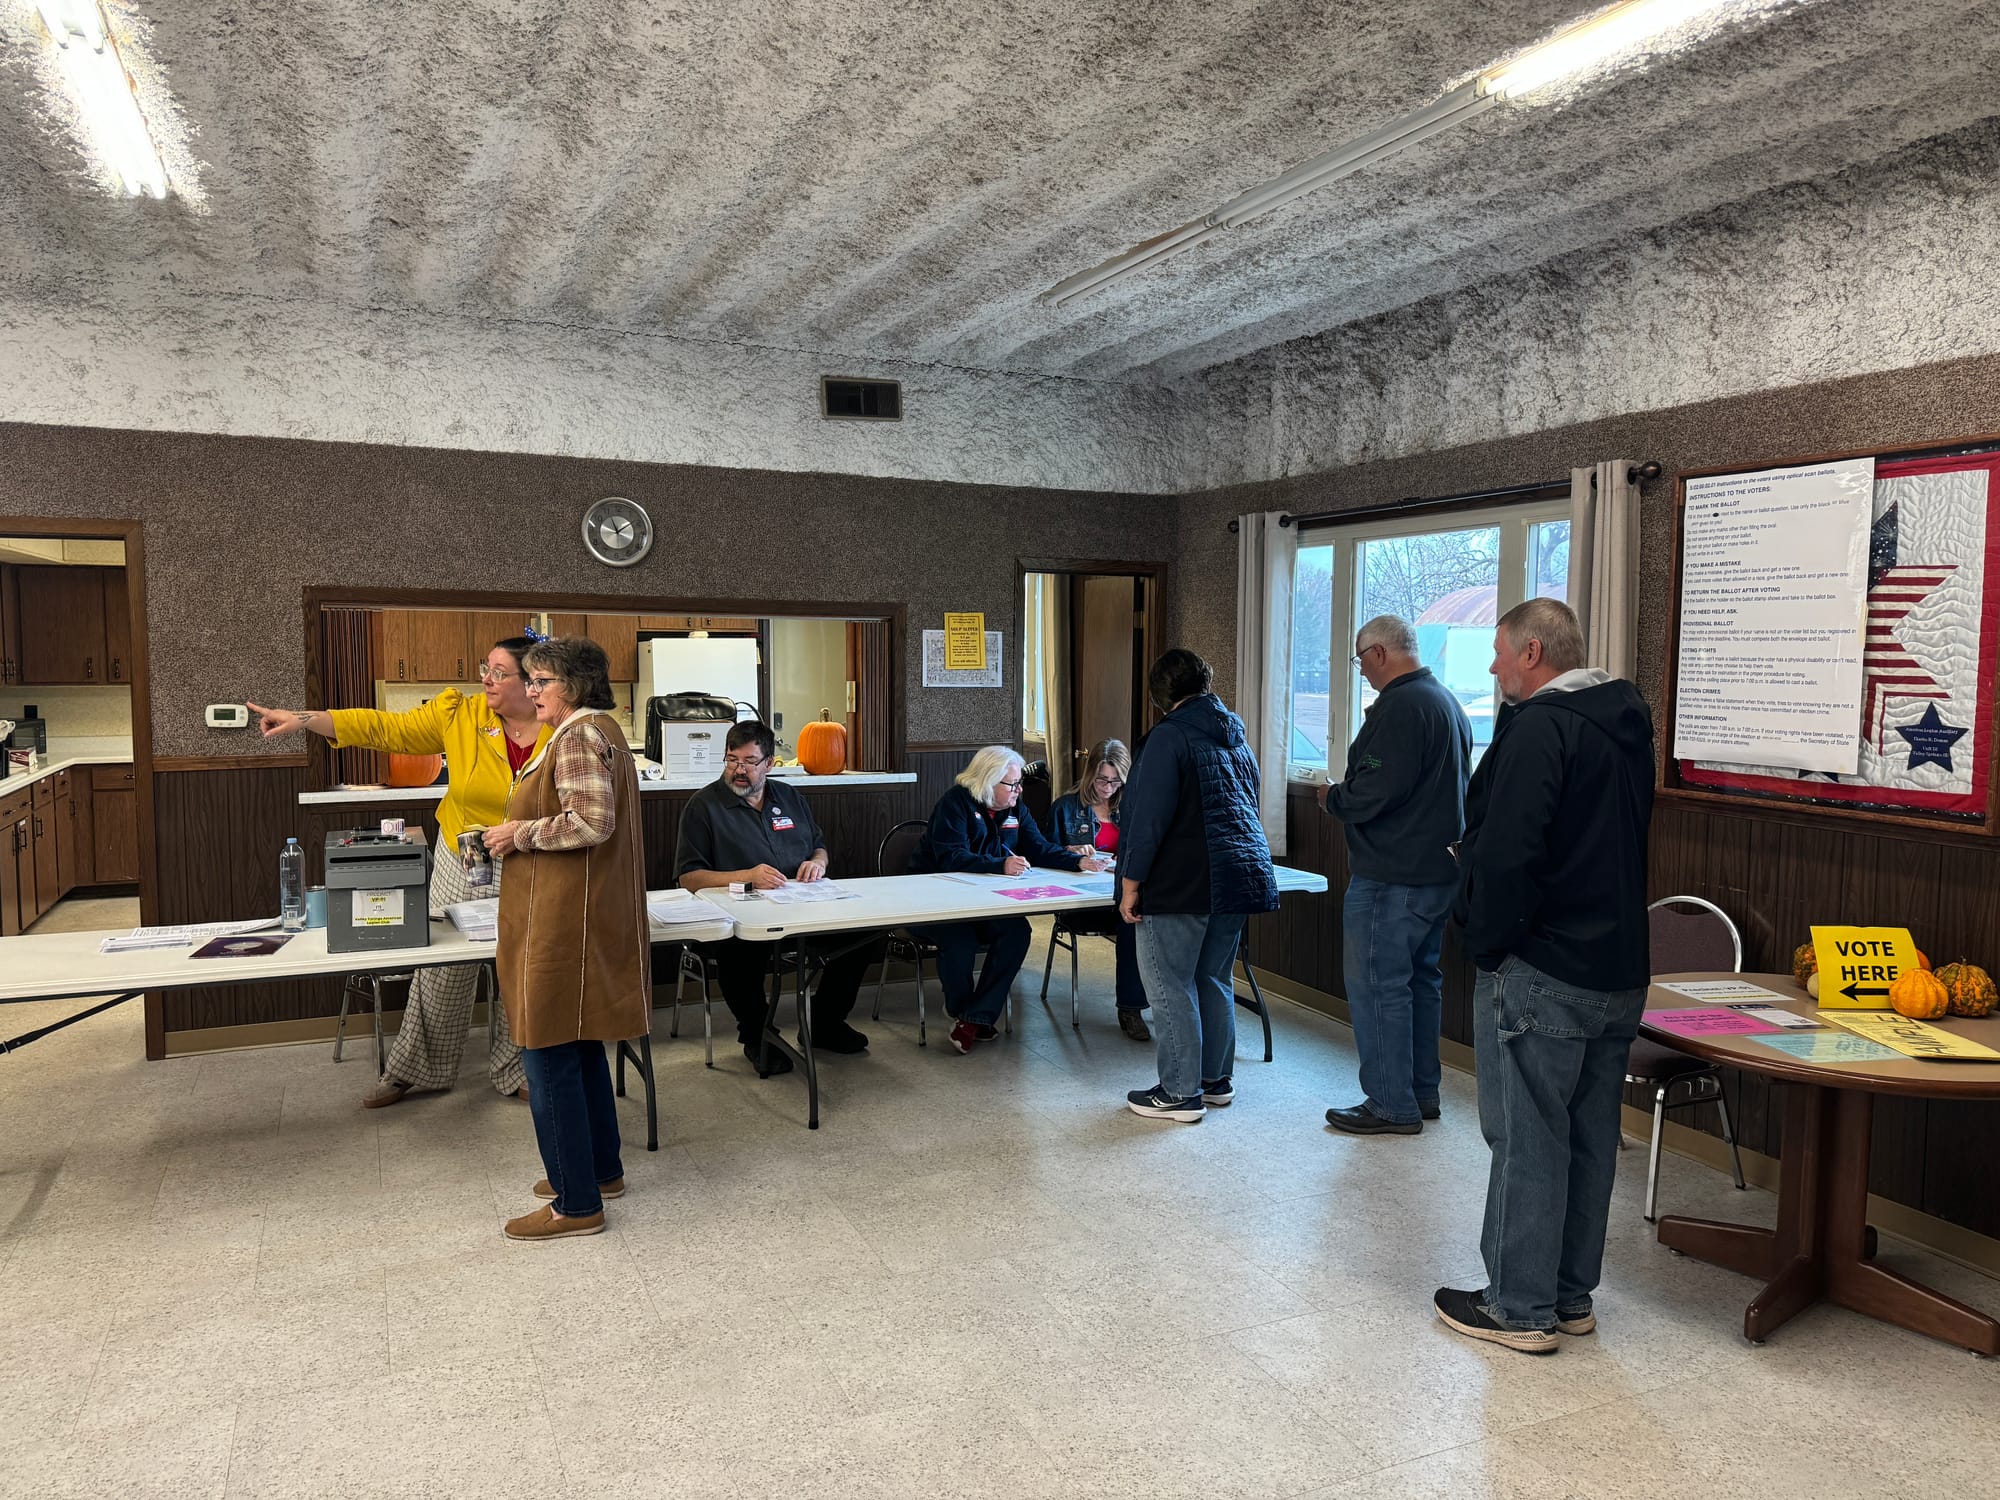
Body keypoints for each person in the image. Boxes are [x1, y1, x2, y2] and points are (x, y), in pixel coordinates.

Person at [1433, 598, 1655, 1354]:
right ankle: (1568, 1297)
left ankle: (1517, 1307)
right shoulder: (1627, 725)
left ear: (1532, 652)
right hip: (1618, 968)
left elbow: (1508, 853)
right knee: (1590, 1139)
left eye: (1499, 653)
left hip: (1544, 967)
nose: (1493, 669)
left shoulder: (1538, 728)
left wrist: (1486, 943)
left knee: (1527, 1138)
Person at [247, 635, 549, 1107]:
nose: (485, 680)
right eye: (485, 668)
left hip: (534, 860)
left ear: (532, 683)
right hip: (464, 856)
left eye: (498, 673)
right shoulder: (460, 714)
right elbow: (384, 728)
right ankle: (418, 1069)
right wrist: (303, 719)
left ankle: (519, 1069)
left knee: (525, 966)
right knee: (443, 964)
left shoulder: (563, 725)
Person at [485, 636, 650, 1241]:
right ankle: (600, 1172)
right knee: (580, 1048)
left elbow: (590, 822)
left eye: (541, 681)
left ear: (575, 685)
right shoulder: (600, 729)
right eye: (528, 680)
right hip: (580, 915)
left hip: (562, 922)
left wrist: (515, 835)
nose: (531, 691)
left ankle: (576, 1204)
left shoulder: (578, 735)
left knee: (546, 1048)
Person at [1319, 615, 1472, 1136]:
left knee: (1380, 987)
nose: (1361, 671)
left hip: (1393, 875)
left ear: (1379, 653)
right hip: (1437, 871)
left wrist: (1333, 797)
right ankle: (1420, 1092)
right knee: (1420, 983)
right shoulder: (1445, 701)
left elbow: (1375, 791)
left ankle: (1389, 1103)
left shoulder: (1402, 706)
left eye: (1360, 660)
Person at [1117, 649, 1277, 1122]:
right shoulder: (1235, 734)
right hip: (1238, 876)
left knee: (1170, 983)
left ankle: (1179, 1092)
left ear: (1158, 697)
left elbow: (1147, 819)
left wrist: (1130, 884)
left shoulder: (1168, 737)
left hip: (1181, 881)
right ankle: (1214, 1081)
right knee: (1212, 977)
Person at [674, 720, 880, 1073]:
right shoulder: (703, 806)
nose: (739, 770)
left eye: (750, 762)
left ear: (770, 763)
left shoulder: (789, 797)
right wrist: (748, 875)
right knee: (738, 951)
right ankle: (757, 1036)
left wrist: (817, 862)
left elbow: (818, 845)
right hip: (739, 915)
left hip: (799, 908)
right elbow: (689, 877)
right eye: (731, 760)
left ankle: (825, 1024)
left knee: (864, 935)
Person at [911, 745, 1106, 1055]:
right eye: (1012, 784)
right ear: (989, 781)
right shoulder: (955, 803)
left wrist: (1077, 862)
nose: (1018, 790)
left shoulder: (1016, 808)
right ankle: (967, 1013)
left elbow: (1038, 847)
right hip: (939, 902)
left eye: (1019, 784)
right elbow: (951, 857)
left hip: (988, 901)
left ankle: (971, 1019)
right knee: (959, 938)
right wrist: (998, 864)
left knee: (1017, 932)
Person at [1045, 739, 1150, 1041]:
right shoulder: (1065, 808)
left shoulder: (1130, 805)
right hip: (1081, 901)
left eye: (1116, 781)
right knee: (1131, 922)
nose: (1108, 787)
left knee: (1139, 919)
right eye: (1102, 779)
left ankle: (1142, 1005)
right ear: (1090, 773)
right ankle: (1131, 1008)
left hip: (1119, 892)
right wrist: (1072, 853)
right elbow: (1044, 853)